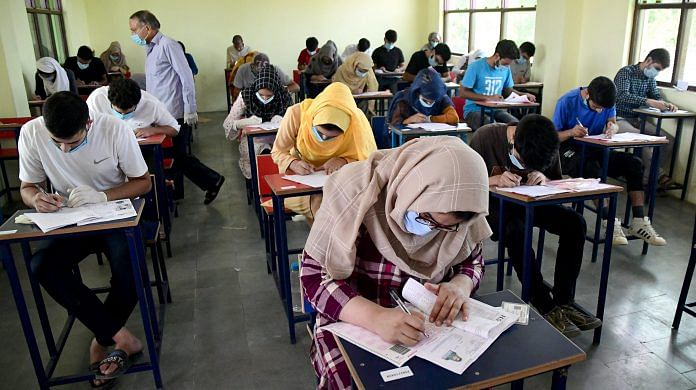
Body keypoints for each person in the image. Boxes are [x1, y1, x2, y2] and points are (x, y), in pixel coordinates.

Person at [301, 136, 489, 389]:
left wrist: (460, 285)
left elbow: (473, 260)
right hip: (353, 314)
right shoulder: (356, 190)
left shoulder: (462, 201)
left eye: (448, 228)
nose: (433, 231)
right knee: (349, 380)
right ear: (412, 190)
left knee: (467, 379)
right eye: (427, 218)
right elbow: (314, 279)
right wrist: (376, 318)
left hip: (424, 321)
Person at [19, 92, 151, 388]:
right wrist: (36, 198)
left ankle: (101, 339)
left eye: (73, 142)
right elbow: (27, 186)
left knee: (129, 271)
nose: (64, 150)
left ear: (88, 123)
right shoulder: (31, 132)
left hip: (115, 215)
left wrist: (103, 195)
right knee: (42, 265)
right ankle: (121, 338)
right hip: (71, 218)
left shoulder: (113, 129)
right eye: (57, 142)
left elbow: (143, 182)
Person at [470, 114, 600, 338]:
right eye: (523, 160)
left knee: (575, 223)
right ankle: (543, 302)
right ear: (513, 141)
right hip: (495, 206)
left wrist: (544, 178)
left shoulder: (547, 142)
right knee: (516, 229)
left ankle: (564, 300)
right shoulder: (485, 137)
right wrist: (493, 180)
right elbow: (466, 181)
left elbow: (555, 182)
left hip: (531, 201)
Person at [553, 76, 666, 246]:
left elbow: (612, 121)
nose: (599, 111)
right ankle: (610, 222)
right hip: (569, 150)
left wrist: (613, 127)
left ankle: (639, 220)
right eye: (596, 107)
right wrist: (570, 132)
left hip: (596, 147)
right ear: (587, 94)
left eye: (603, 109)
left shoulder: (607, 100)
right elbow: (552, 136)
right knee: (592, 169)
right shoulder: (566, 101)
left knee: (634, 164)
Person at [129, 10, 225, 204]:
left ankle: (207, 182)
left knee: (178, 155)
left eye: (134, 30)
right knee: (175, 155)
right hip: (161, 112)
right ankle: (192, 186)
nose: (132, 35)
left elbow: (186, 76)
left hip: (175, 112)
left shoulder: (168, 45)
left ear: (146, 28)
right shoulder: (151, 49)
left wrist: (190, 108)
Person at [270, 83, 377, 223]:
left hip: (340, 183)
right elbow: (278, 151)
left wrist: (344, 161)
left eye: (332, 137)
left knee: (364, 203)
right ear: (313, 118)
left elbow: (370, 161)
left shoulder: (357, 123)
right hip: (300, 185)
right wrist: (293, 163)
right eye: (319, 133)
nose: (324, 140)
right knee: (323, 203)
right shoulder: (297, 114)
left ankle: (334, 242)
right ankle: (340, 242)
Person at [614, 48, 677, 188]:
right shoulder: (626, 72)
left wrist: (665, 103)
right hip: (618, 118)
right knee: (640, 138)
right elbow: (622, 95)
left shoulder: (650, 78)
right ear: (648, 60)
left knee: (668, 141)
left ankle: (646, 178)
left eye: (659, 71)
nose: (656, 72)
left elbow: (656, 95)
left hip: (638, 120)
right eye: (656, 68)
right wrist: (648, 101)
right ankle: (659, 175)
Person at [223, 65, 293, 180]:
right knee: (254, 152)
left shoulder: (283, 96)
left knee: (282, 155)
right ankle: (256, 183)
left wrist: (284, 120)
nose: (265, 99)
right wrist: (239, 124)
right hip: (253, 139)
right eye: (261, 95)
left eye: (269, 96)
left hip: (279, 137)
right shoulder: (246, 95)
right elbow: (228, 122)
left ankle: (277, 182)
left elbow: (296, 122)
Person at [460, 39, 536, 130]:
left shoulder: (506, 69)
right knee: (493, 128)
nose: (507, 67)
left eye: (508, 65)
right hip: (474, 110)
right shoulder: (476, 66)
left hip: (496, 109)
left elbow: (507, 90)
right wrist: (488, 97)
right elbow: (463, 92)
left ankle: (511, 144)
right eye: (505, 63)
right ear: (497, 56)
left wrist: (523, 95)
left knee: (516, 126)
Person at [86, 78, 179, 139]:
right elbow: (83, 128)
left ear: (137, 103)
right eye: (118, 112)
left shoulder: (150, 103)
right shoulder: (96, 99)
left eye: (128, 113)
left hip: (141, 149)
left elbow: (174, 129)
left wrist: (151, 130)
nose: (122, 116)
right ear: (110, 101)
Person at [388, 67, 458, 127]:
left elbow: (453, 117)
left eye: (433, 101)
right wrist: (408, 121)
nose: (430, 104)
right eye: (425, 101)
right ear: (417, 92)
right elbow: (392, 126)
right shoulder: (402, 99)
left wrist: (430, 119)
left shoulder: (441, 97)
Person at [233, 53, 299, 96]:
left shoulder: (275, 69)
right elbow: (236, 92)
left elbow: (296, 87)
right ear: (252, 66)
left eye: (265, 70)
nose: (263, 74)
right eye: (259, 71)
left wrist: (279, 93)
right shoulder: (243, 69)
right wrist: (251, 96)